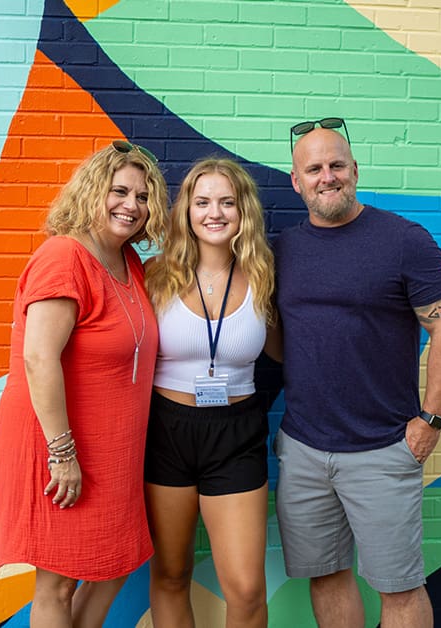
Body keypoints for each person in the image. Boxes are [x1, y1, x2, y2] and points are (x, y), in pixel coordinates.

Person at [273, 119, 441, 628]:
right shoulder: (283, 250)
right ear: (296, 181)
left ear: (355, 170)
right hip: (304, 450)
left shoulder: (403, 240)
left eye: (337, 165)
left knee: (399, 587)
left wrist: (431, 421)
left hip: (383, 450)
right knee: (326, 576)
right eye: (314, 168)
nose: (327, 176)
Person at [0, 140, 168, 628]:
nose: (131, 205)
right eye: (119, 191)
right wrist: (62, 452)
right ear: (92, 192)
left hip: (111, 449)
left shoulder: (129, 261)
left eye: (143, 196)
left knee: (115, 563)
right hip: (62, 444)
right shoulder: (64, 257)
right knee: (58, 583)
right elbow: (38, 357)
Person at [141, 158, 279, 628]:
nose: (214, 213)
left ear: (244, 211)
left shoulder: (263, 276)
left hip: (237, 435)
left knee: (246, 589)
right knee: (171, 574)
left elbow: (288, 351)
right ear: (186, 210)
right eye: (202, 202)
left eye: (227, 202)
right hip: (166, 430)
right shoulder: (155, 274)